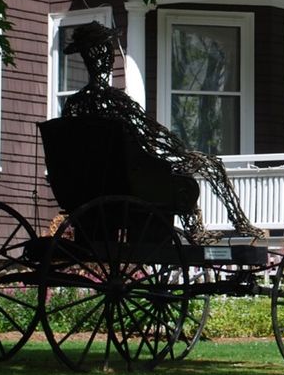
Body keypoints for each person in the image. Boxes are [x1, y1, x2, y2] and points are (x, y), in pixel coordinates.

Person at [59, 21, 265, 242]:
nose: (110, 57)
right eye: (108, 51)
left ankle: (207, 228)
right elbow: (150, 132)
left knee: (179, 168)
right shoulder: (115, 101)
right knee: (210, 164)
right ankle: (216, 228)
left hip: (88, 188)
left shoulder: (73, 104)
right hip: (130, 183)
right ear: (103, 57)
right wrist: (179, 150)